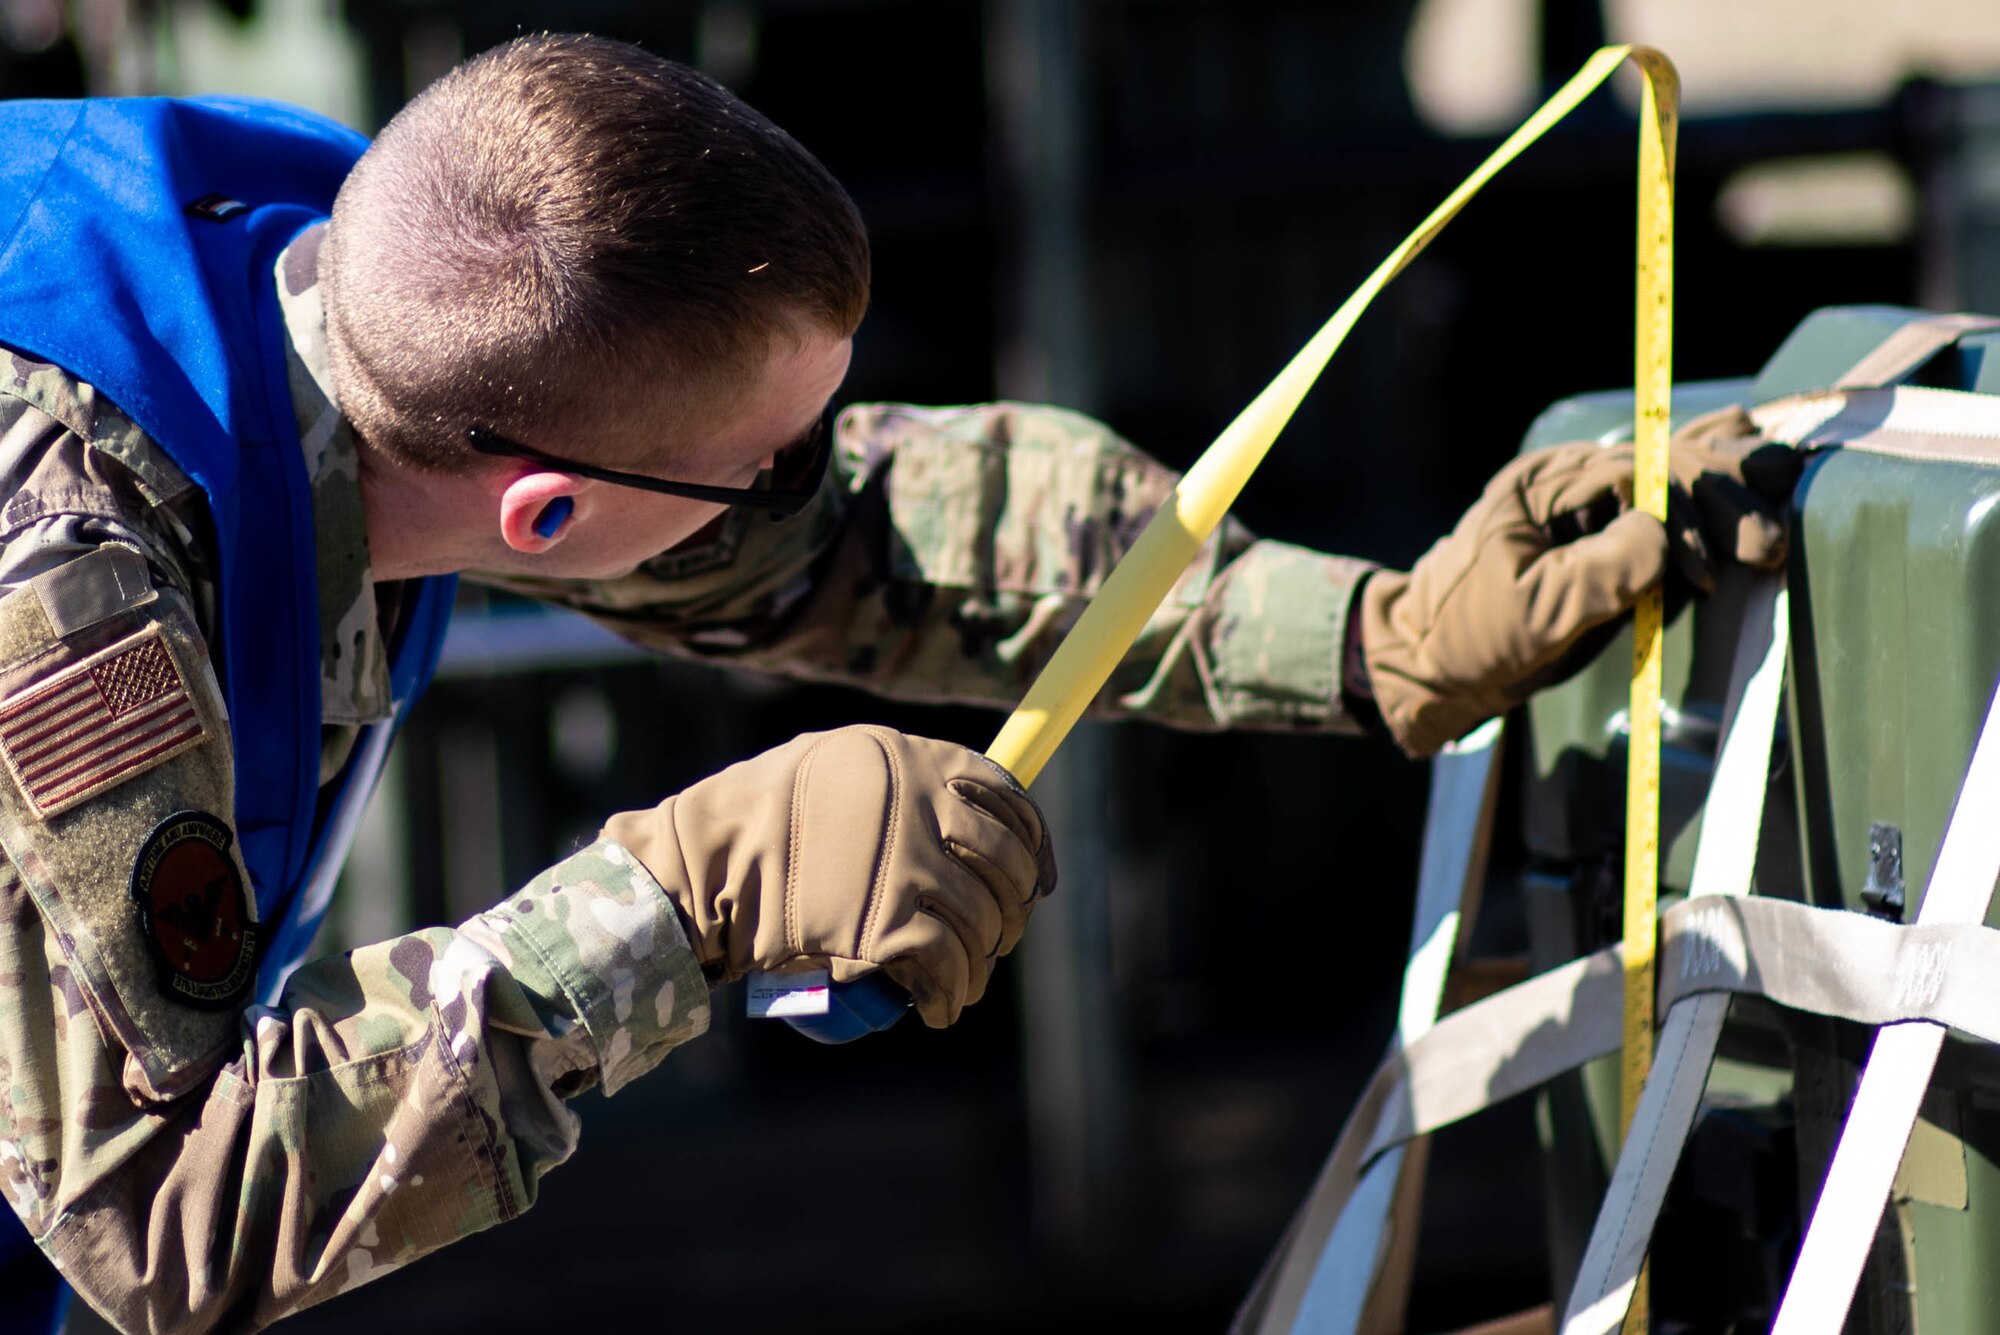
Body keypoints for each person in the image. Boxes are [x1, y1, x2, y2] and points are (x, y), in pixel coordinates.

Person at [0, 32, 1790, 1334]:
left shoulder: (340, 251)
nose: (815, 476)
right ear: (541, 511)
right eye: (770, 457)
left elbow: (844, 532)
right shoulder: (68, 592)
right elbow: (166, 1218)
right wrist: (671, 903)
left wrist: (1362, 634)